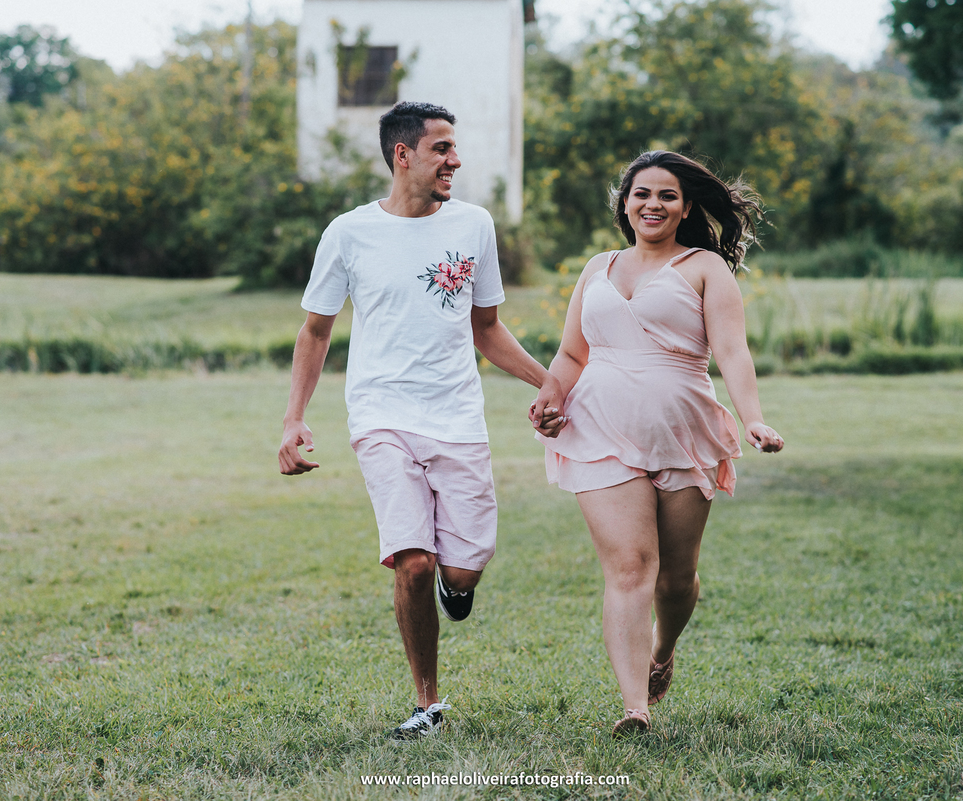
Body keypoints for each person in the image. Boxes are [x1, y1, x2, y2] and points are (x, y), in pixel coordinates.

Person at [278, 101, 563, 740]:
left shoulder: (474, 225)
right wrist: (294, 420)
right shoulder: (348, 233)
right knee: (413, 561)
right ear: (402, 154)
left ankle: (455, 587)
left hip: (457, 417)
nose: (455, 160)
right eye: (442, 149)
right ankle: (428, 703)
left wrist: (555, 386)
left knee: (457, 572)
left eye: (454, 149)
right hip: (380, 413)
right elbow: (315, 330)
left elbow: (487, 330)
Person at [531, 150, 784, 736]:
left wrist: (753, 417)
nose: (653, 204)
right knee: (628, 567)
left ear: (686, 206)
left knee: (674, 578)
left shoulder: (704, 268)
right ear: (625, 203)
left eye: (667, 195)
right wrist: (551, 397)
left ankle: (663, 649)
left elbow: (732, 350)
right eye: (641, 193)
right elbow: (572, 354)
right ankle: (634, 707)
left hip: (683, 430)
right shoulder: (598, 267)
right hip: (597, 429)